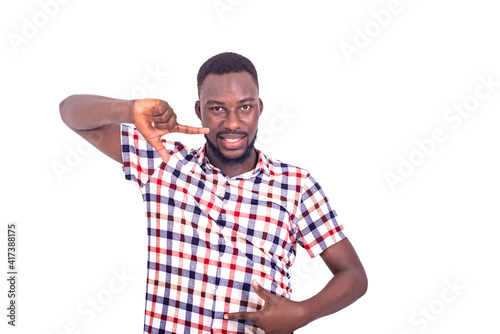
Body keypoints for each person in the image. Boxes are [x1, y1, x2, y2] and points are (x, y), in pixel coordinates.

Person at [59, 52, 367, 334]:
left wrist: (302, 313)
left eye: (245, 107)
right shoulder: (163, 162)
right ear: (199, 111)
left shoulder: (296, 184)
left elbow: (352, 274)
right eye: (217, 108)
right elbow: (70, 112)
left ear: (259, 108)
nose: (233, 123)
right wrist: (129, 109)